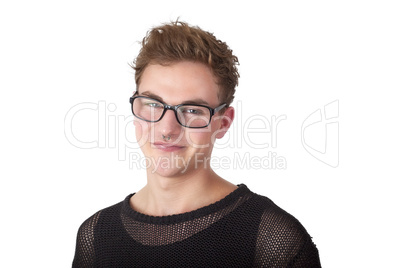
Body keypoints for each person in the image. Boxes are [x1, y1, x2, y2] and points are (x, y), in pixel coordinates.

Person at [72, 20, 321, 267]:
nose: (167, 129)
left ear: (223, 123)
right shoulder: (95, 235)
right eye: (152, 104)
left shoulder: (271, 240)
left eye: (192, 109)